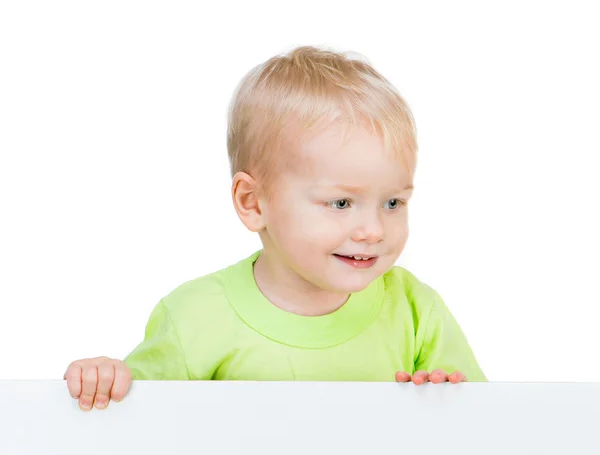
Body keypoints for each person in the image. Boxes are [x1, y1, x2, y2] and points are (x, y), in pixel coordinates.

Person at [64, 45, 487, 411]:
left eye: (393, 202)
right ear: (253, 202)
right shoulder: (196, 315)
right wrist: (106, 379)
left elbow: (491, 425)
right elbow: (134, 423)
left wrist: (446, 404)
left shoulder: (415, 311)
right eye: (340, 203)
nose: (373, 229)